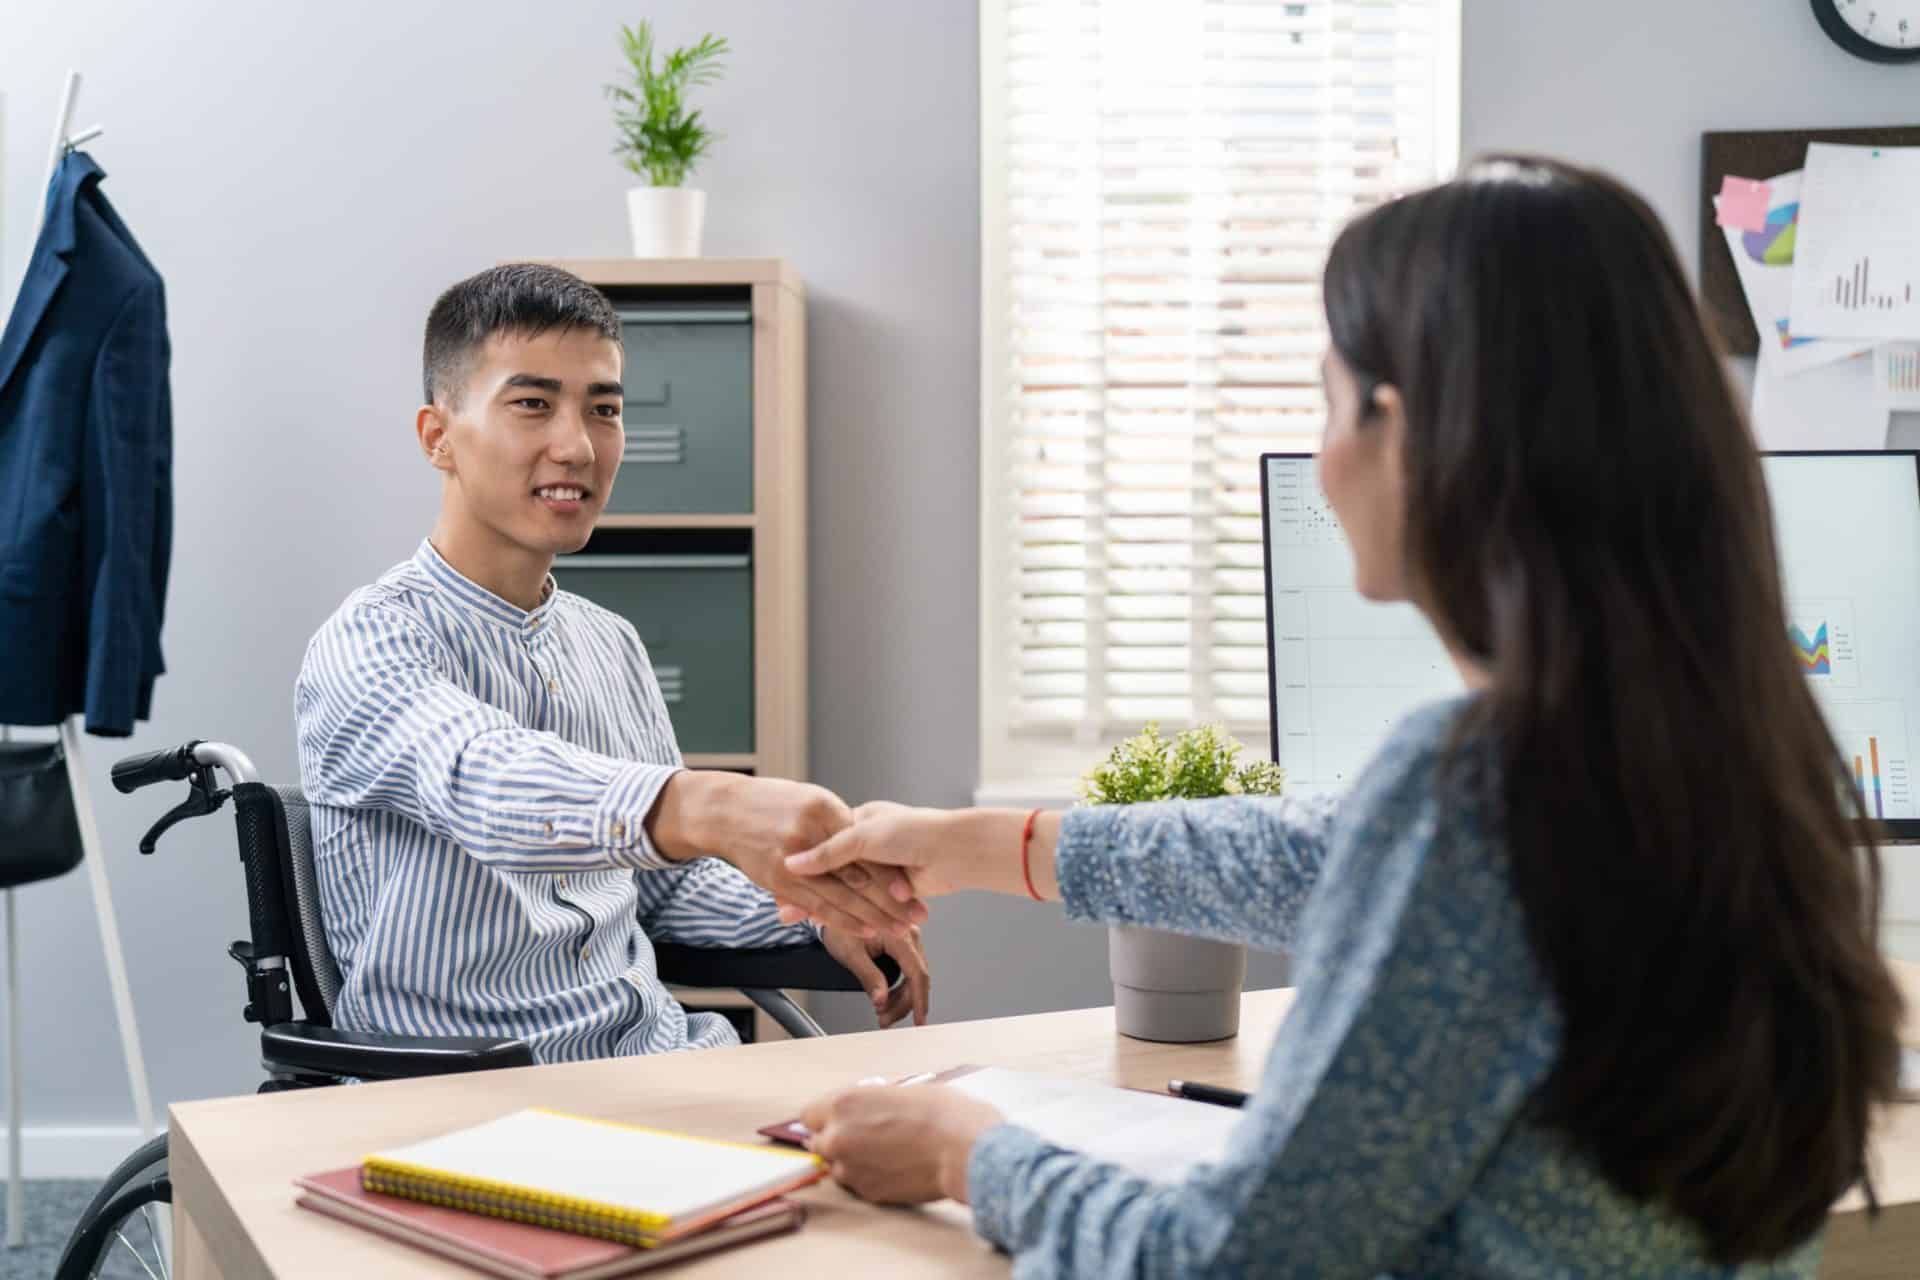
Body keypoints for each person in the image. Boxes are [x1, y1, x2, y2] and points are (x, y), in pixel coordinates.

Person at [780, 158, 1906, 1276]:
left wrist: (970, 1154)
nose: (1321, 462)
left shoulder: (1479, 790)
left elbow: (1223, 1263)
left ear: (1406, 427)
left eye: (1328, 400)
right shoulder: (1720, 751)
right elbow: (1325, 854)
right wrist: (988, 843)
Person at [295, 264, 928, 1062]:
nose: (578, 446)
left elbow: (666, 886)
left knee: (933, 1143)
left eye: (603, 410)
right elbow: (482, 777)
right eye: (532, 404)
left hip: (655, 1059)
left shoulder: (610, 643)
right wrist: (711, 806)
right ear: (438, 437)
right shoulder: (368, 643)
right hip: (469, 1098)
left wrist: (808, 907)